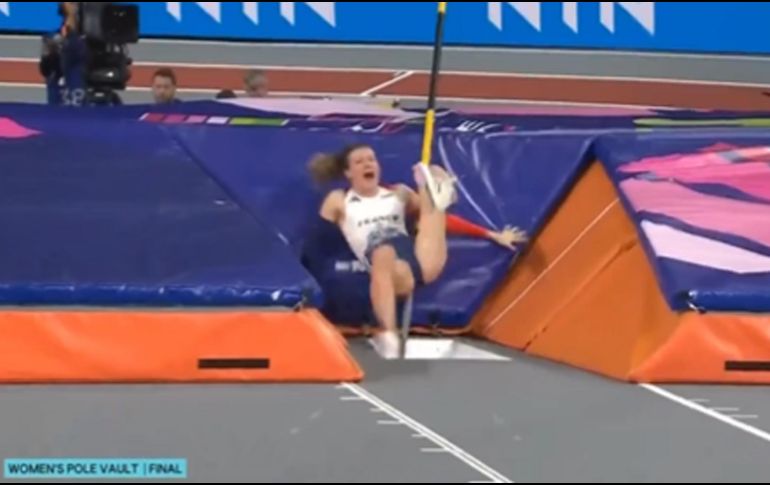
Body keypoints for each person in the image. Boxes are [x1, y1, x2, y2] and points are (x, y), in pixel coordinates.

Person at [309, 143, 527, 358]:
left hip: (421, 260)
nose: (368, 164)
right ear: (348, 172)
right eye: (360, 161)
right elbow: (317, 240)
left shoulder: (399, 194)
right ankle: (388, 332)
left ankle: (439, 192)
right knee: (383, 253)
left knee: (431, 178)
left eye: (371, 159)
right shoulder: (339, 200)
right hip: (390, 267)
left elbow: (438, 223)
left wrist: (490, 234)